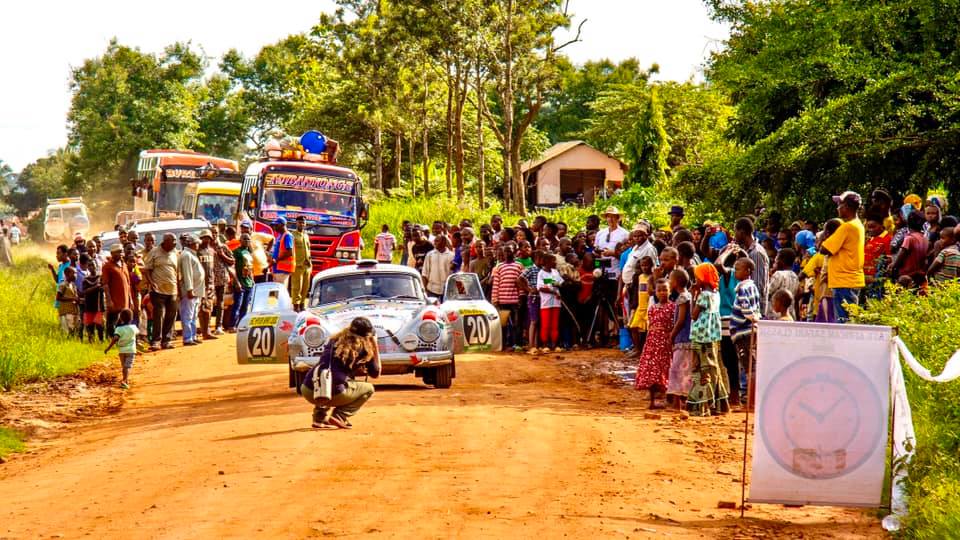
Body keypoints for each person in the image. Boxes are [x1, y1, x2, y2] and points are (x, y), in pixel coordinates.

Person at [299, 317, 380, 429]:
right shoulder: (363, 349)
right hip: (331, 393)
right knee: (368, 388)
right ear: (366, 336)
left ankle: (319, 418)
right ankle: (340, 416)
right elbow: (376, 373)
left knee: (327, 378)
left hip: (308, 389)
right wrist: (375, 346)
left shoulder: (334, 341)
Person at [687, 263, 729, 416]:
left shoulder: (703, 296)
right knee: (712, 368)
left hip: (701, 337)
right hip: (711, 337)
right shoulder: (716, 294)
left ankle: (703, 404)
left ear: (703, 278)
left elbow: (693, 315)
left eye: (697, 277)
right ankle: (718, 403)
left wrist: (693, 295)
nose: (694, 280)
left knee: (701, 370)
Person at [820, 191, 866, 322]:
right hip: (850, 280)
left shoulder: (847, 227)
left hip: (844, 281)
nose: (837, 208)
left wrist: (825, 234)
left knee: (844, 323)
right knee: (849, 321)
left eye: (839, 205)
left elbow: (824, 249)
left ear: (846, 207)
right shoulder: (858, 225)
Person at [634, 279, 674, 409]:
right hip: (652, 342)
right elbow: (650, 326)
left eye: (665, 290)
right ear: (655, 292)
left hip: (666, 342)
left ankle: (668, 398)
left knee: (666, 368)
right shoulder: (652, 309)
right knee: (651, 370)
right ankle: (652, 401)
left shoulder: (673, 307)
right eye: (659, 290)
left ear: (670, 291)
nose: (662, 293)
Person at [730, 258, 761, 410]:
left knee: (749, 367)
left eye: (738, 269)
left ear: (747, 271)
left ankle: (751, 402)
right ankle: (751, 400)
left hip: (744, 331)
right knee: (751, 365)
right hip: (751, 330)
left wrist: (753, 319)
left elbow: (746, 309)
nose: (735, 272)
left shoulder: (743, 288)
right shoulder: (753, 286)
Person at [143, 233, 179, 350]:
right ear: (166, 241)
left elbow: (177, 272)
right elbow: (147, 270)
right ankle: (156, 341)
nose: (175, 243)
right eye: (173, 241)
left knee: (170, 316)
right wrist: (151, 283)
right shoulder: (154, 252)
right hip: (158, 290)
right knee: (158, 316)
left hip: (172, 290)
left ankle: (166, 340)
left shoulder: (175, 253)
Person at [666, 269, 693, 410]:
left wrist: (672, 334)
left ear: (675, 282)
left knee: (677, 369)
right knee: (685, 370)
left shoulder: (683, 297)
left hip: (683, 339)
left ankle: (677, 403)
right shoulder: (687, 296)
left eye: (670, 279)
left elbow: (681, 320)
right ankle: (683, 401)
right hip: (686, 339)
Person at [733, 217, 769, 315]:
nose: (734, 235)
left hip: (754, 308)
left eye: (735, 231)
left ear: (742, 232)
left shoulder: (756, 253)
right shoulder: (747, 251)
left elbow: (757, 284)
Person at [491, 246, 524, 349]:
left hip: (515, 300)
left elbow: (521, 283)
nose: (507, 253)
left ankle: (517, 344)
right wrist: (495, 299)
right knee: (503, 324)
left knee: (516, 323)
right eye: (505, 251)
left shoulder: (519, 265)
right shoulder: (499, 266)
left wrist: (521, 296)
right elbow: (496, 283)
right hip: (503, 301)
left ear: (514, 251)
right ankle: (503, 344)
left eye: (509, 251)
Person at [888, 210, 929, 289]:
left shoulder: (909, 238)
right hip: (920, 275)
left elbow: (901, 254)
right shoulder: (924, 238)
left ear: (908, 222)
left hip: (906, 276)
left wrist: (893, 266)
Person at [178, 235, 205, 346]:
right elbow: (187, 273)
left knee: (193, 315)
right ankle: (187, 338)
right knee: (187, 315)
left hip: (196, 291)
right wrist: (189, 289)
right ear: (191, 243)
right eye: (196, 243)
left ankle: (193, 336)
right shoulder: (186, 255)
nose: (198, 245)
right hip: (190, 291)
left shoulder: (191, 254)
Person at [103, 244, 132, 339]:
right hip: (114, 300)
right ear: (112, 253)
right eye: (118, 252)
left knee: (122, 322)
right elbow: (105, 284)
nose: (121, 254)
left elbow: (128, 283)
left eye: (121, 251)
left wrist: (130, 299)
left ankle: (121, 340)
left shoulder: (124, 264)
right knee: (112, 322)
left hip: (125, 300)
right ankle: (110, 340)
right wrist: (109, 300)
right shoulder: (107, 266)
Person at [536, 253, 563, 353]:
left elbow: (560, 282)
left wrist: (560, 284)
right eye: (553, 260)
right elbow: (540, 287)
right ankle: (545, 344)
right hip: (546, 303)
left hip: (556, 302)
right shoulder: (541, 273)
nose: (555, 262)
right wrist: (553, 291)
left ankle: (554, 344)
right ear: (547, 262)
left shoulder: (555, 272)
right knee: (545, 324)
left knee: (555, 324)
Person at [104, 309, 138, 390]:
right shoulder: (133, 327)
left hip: (122, 351)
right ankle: (124, 381)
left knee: (124, 367)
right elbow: (137, 336)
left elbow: (115, 339)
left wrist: (108, 348)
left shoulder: (118, 329)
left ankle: (126, 380)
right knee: (127, 367)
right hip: (131, 351)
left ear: (121, 318)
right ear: (131, 318)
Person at [212, 227, 236, 333]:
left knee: (220, 303)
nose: (214, 235)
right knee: (207, 304)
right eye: (212, 233)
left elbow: (232, 261)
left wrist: (222, 255)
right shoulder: (204, 247)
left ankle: (218, 326)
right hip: (208, 280)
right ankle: (206, 328)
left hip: (221, 278)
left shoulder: (223, 247)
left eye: (216, 233)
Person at [230, 233, 255, 331]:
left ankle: (241, 325)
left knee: (245, 306)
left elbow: (250, 268)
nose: (247, 241)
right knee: (237, 305)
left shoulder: (248, 252)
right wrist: (236, 281)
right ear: (240, 240)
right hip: (240, 282)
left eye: (249, 239)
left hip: (249, 283)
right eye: (245, 239)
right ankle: (232, 325)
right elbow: (232, 268)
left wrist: (252, 280)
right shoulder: (236, 252)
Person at [766, 248, 799, 320]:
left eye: (777, 258)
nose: (775, 260)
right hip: (790, 312)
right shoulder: (795, 276)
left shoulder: (778, 274)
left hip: (776, 313)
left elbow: (767, 292)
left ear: (782, 260)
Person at [196, 231, 217, 340]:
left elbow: (213, 268)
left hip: (210, 283)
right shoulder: (197, 251)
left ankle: (207, 330)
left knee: (209, 308)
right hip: (200, 283)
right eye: (204, 238)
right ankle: (204, 331)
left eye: (208, 238)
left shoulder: (212, 251)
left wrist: (213, 281)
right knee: (202, 309)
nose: (206, 240)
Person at [290, 216, 313, 312]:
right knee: (297, 287)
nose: (302, 224)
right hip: (297, 265)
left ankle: (303, 304)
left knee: (305, 287)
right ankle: (296, 306)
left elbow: (308, 249)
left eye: (303, 222)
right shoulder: (293, 235)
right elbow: (291, 251)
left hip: (307, 265)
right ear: (296, 223)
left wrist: (310, 264)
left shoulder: (306, 235)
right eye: (300, 222)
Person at [422, 235, 454, 299]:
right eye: (434, 241)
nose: (435, 243)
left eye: (437, 241)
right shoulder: (430, 255)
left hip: (447, 289)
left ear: (444, 242)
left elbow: (453, 274)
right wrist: (425, 289)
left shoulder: (452, 255)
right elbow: (425, 273)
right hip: (432, 289)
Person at [82, 259, 105, 342]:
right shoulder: (86, 279)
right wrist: (96, 287)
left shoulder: (100, 278)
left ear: (96, 265)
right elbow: (85, 291)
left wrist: (100, 287)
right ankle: (91, 341)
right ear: (87, 267)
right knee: (90, 325)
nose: (91, 267)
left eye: (93, 265)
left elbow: (104, 288)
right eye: (89, 265)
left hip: (98, 304)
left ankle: (101, 341)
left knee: (99, 325)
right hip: (89, 304)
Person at [270, 217, 294, 285]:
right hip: (276, 268)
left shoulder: (287, 235)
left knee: (280, 291)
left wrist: (276, 260)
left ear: (283, 225)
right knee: (276, 292)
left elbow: (290, 252)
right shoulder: (280, 235)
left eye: (276, 225)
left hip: (283, 269)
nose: (275, 227)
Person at [57, 266, 80, 335]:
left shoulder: (73, 285)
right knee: (68, 332)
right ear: (67, 274)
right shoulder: (63, 285)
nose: (75, 275)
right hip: (66, 312)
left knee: (75, 331)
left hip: (74, 311)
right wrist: (72, 299)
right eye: (73, 273)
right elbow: (58, 298)